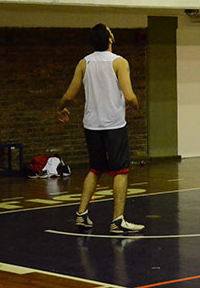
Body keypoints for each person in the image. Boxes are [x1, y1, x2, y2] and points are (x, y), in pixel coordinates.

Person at [57, 23, 144, 235]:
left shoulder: (83, 62)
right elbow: (130, 95)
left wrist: (60, 109)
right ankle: (118, 220)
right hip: (113, 125)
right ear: (110, 39)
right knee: (121, 171)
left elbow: (69, 95)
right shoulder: (119, 62)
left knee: (95, 169)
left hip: (91, 125)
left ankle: (82, 214)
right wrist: (135, 107)